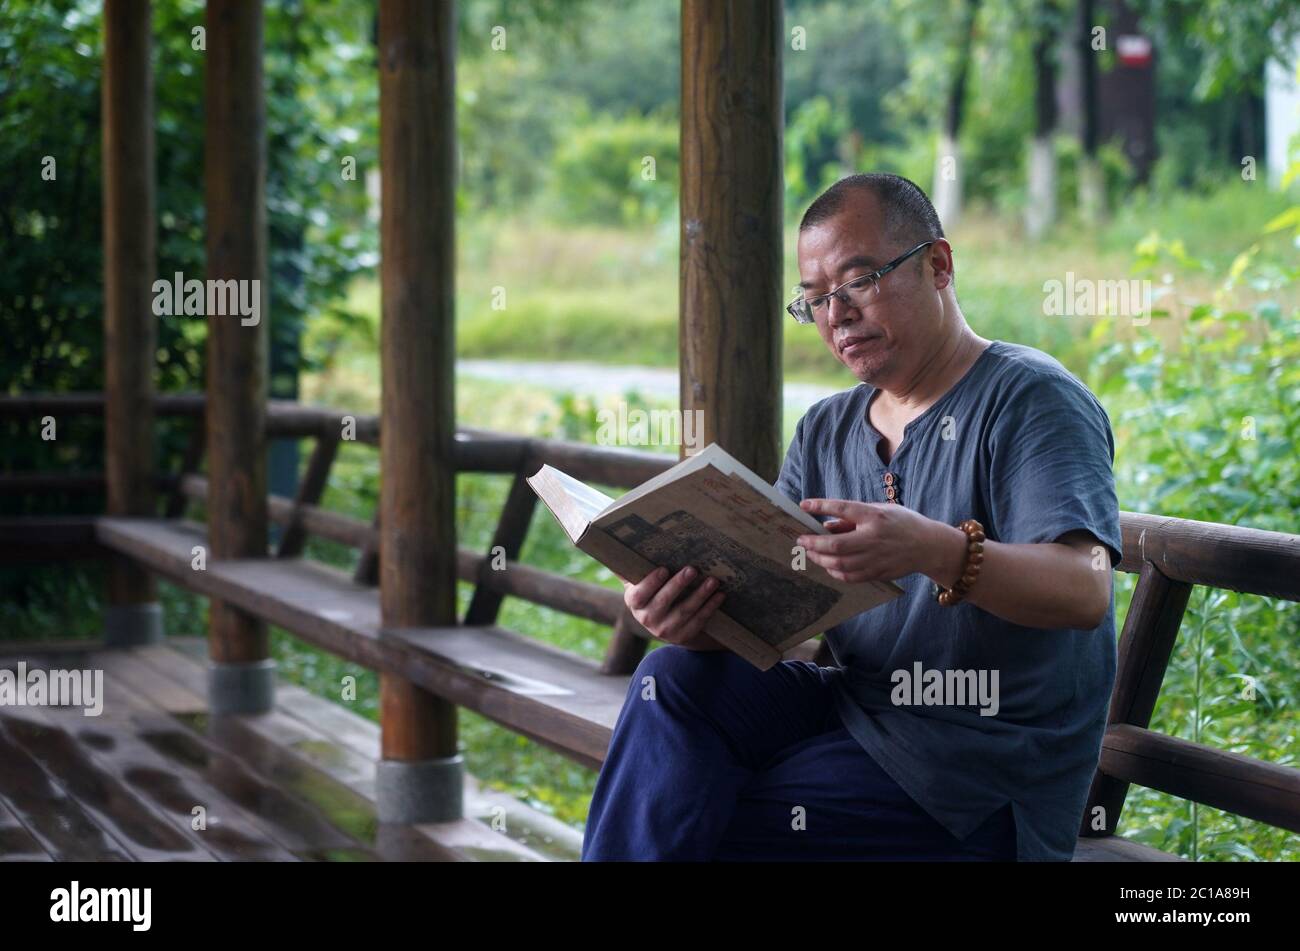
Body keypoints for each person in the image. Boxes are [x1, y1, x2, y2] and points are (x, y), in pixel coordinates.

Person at [581, 173, 1122, 862]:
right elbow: (785, 616)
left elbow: (1086, 586)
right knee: (673, 681)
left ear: (939, 264)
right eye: (815, 300)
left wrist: (939, 550)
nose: (836, 314)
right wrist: (691, 616)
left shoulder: (1031, 400)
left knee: (705, 814)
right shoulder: (828, 428)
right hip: (853, 714)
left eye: (859, 282)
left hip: (976, 770)